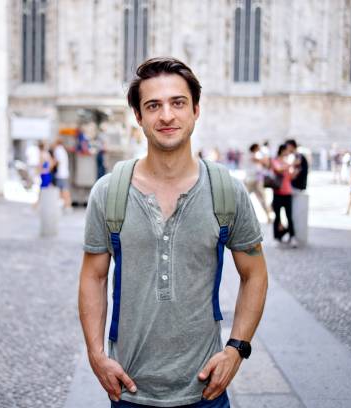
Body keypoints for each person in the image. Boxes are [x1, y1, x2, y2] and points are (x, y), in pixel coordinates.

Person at [79, 57, 268, 407]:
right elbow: (93, 276)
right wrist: (96, 354)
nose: (166, 115)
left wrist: (236, 349)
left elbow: (254, 273)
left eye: (177, 103)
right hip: (129, 391)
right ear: (139, 117)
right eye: (153, 106)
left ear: (196, 110)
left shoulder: (227, 191)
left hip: (205, 392)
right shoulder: (108, 193)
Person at [271, 144, 298, 248]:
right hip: (277, 193)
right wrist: (290, 164)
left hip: (287, 192)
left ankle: (292, 237)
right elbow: (278, 169)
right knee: (277, 217)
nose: (288, 152)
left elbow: (290, 177)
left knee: (289, 216)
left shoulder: (287, 162)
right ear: (282, 150)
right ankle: (277, 237)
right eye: (287, 150)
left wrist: (295, 172)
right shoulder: (275, 160)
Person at [243, 143, 272, 223]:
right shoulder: (251, 155)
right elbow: (264, 162)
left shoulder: (256, 155)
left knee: (262, 199)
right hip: (251, 180)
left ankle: (269, 216)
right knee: (244, 198)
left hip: (257, 180)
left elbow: (266, 164)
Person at [52, 138, 72, 211]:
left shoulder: (58, 150)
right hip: (64, 173)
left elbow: (57, 161)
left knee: (64, 190)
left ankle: (67, 206)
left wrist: (50, 166)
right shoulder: (62, 150)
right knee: (62, 190)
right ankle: (65, 205)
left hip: (61, 173)